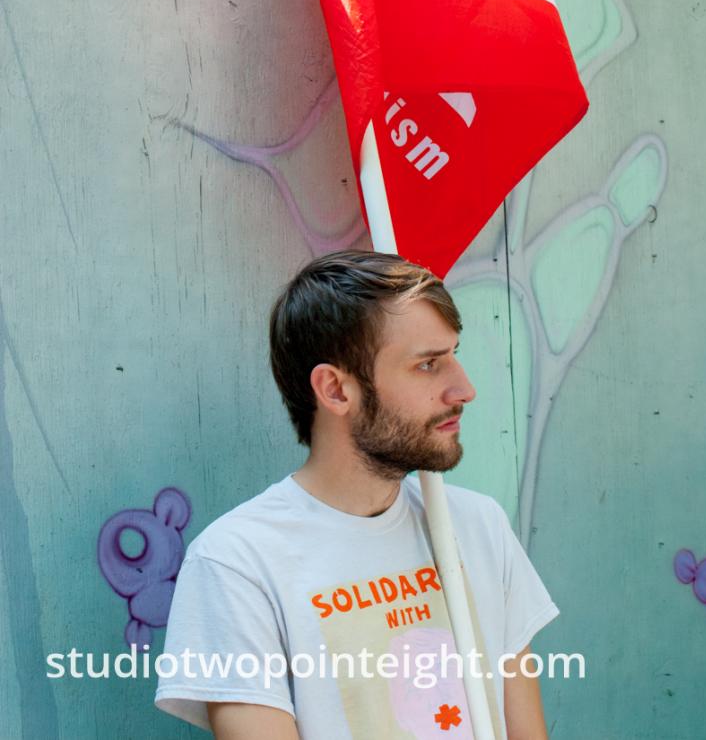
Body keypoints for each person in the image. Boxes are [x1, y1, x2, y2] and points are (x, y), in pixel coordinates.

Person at [155, 250, 559, 739]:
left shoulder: (478, 527)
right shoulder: (237, 564)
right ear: (335, 390)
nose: (464, 388)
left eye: (454, 354)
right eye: (428, 365)